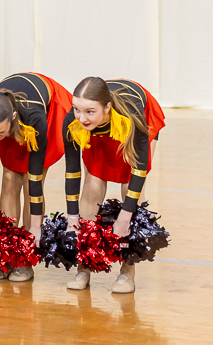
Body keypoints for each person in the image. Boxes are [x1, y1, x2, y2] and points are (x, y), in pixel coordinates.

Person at [0, 72, 72, 282]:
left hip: (46, 109)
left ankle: (25, 256)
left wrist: (37, 228)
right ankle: (5, 250)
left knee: (31, 183)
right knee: (10, 179)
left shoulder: (34, 117)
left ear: (12, 118)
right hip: (7, 122)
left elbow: (36, 177)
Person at [63, 76, 167, 295]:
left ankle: (127, 272)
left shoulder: (132, 114)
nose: (81, 118)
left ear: (107, 107)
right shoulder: (74, 121)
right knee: (91, 188)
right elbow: (72, 172)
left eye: (89, 111)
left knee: (130, 190)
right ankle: (85, 265)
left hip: (131, 125)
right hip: (100, 129)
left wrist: (125, 216)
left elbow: (138, 172)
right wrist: (72, 217)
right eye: (77, 109)